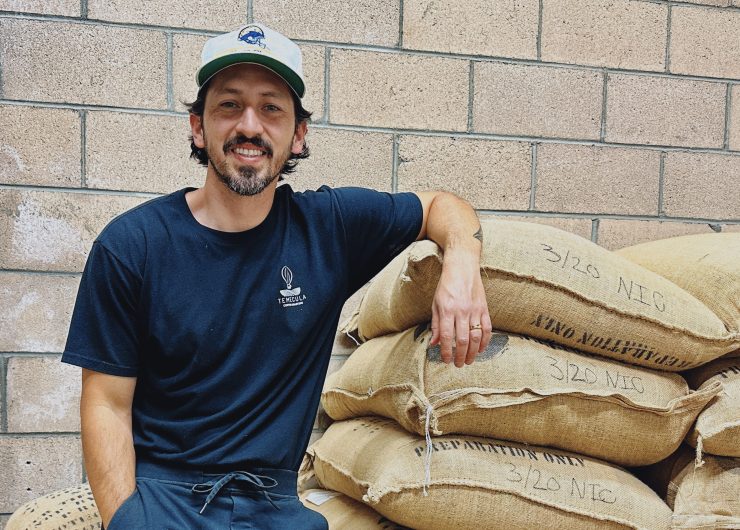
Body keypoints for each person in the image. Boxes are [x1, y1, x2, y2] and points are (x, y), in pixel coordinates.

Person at [62, 22, 493, 530]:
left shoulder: (329, 227)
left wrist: (462, 263)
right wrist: (128, 520)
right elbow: (107, 404)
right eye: (229, 105)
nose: (250, 125)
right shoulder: (132, 245)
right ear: (198, 126)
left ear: (298, 135)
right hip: (166, 498)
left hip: (275, 505)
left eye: (271, 107)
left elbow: (442, 206)